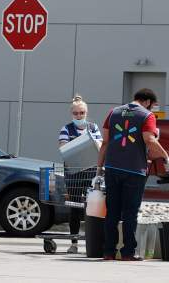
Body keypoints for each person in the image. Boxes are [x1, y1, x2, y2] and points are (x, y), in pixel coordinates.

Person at [97, 88, 169, 261]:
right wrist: (166, 157)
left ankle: (108, 251)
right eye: (152, 106)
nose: (151, 109)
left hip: (112, 168)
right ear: (147, 102)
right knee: (130, 213)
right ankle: (128, 252)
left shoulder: (113, 113)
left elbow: (105, 142)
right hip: (134, 170)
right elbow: (149, 140)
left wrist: (99, 168)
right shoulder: (146, 116)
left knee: (112, 212)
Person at [58, 95, 102, 254]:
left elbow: (100, 146)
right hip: (74, 175)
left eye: (82, 113)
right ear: (72, 114)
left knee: (94, 208)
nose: (79, 116)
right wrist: (86, 143)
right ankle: (74, 242)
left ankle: (95, 241)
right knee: (75, 209)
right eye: (76, 113)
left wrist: (88, 143)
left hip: (91, 173)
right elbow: (64, 148)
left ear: (86, 113)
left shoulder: (93, 127)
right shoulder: (66, 129)